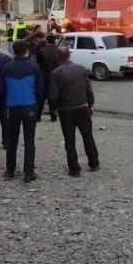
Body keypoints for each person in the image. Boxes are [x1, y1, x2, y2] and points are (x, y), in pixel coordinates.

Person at [48, 46, 99, 176]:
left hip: (65, 110)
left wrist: (54, 109)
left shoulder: (55, 73)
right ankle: (94, 163)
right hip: (82, 107)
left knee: (69, 140)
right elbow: (88, 89)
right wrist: (91, 104)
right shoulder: (81, 69)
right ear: (69, 55)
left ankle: (74, 169)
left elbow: (53, 96)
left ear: (57, 57)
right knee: (88, 136)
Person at [0, 40, 43, 182]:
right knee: (29, 140)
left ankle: (10, 171)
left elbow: (2, 90)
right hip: (30, 106)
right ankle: (29, 173)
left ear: (14, 51)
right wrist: (37, 107)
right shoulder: (34, 67)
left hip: (12, 107)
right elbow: (40, 89)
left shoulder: (5, 68)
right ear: (27, 51)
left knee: (12, 140)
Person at [36, 34, 62, 122]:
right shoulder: (59, 50)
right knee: (53, 97)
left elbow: (38, 63)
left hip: (44, 76)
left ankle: (38, 116)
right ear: (55, 41)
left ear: (46, 41)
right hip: (56, 76)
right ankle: (53, 116)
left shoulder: (42, 51)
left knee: (42, 97)